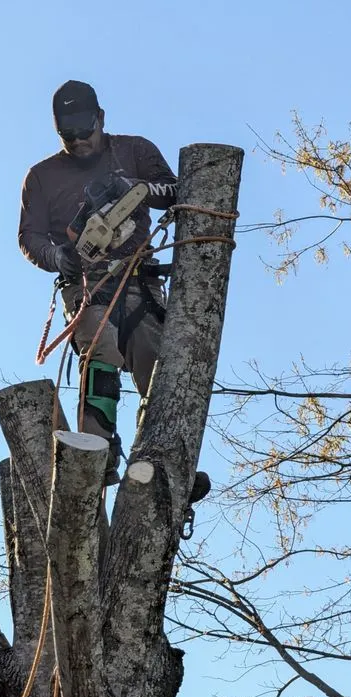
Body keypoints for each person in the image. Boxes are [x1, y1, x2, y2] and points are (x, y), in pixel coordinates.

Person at [19, 80, 210, 505]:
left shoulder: (135, 151)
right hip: (87, 284)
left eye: (85, 131)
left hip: (139, 277)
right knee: (99, 351)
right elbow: (29, 237)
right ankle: (96, 451)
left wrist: (135, 187)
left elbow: (177, 191)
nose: (80, 142)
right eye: (69, 136)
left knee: (154, 358)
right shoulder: (42, 177)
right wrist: (57, 256)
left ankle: (166, 461)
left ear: (101, 119)